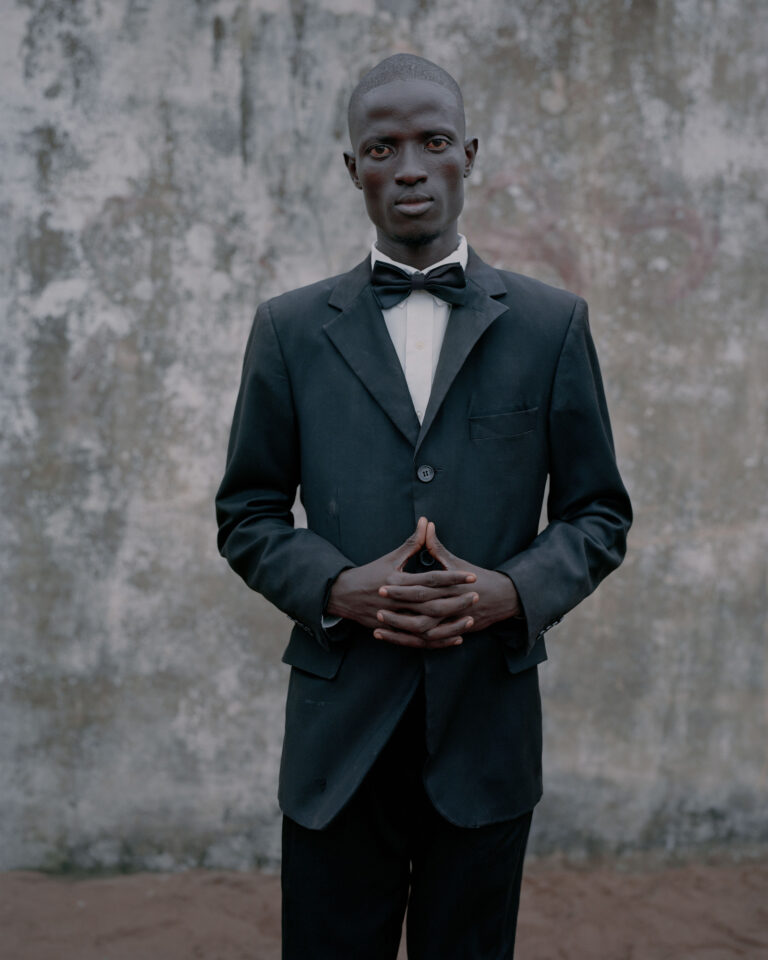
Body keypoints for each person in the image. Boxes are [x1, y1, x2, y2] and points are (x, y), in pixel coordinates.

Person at [216, 53, 632, 960]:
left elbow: (599, 515)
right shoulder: (289, 331)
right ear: (352, 167)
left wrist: (512, 592)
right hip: (338, 740)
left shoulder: (549, 324)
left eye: (433, 142)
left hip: (486, 731)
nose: (409, 166)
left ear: (468, 155)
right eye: (384, 147)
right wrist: (334, 588)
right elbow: (246, 513)